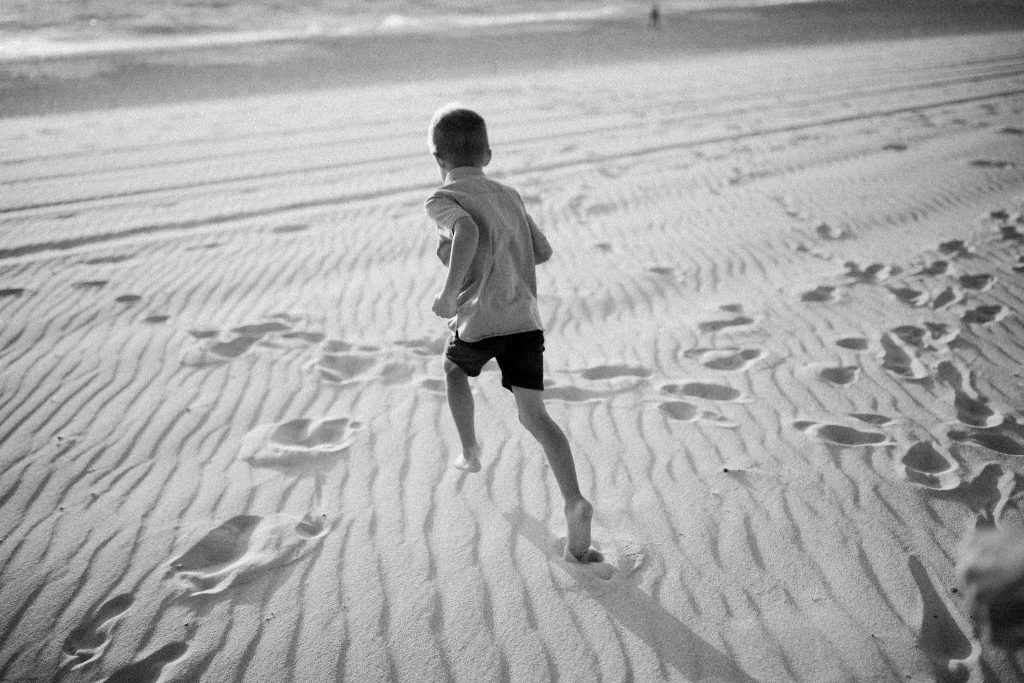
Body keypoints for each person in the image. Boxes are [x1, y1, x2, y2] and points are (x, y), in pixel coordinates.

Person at [424, 103, 600, 563]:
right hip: (524, 321)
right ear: (488, 152)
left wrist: (448, 295)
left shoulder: (441, 199)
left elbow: (465, 232)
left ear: (436, 156)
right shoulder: (510, 194)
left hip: (479, 323)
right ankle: (574, 501)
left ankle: (469, 448)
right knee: (536, 419)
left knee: (453, 372)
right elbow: (540, 252)